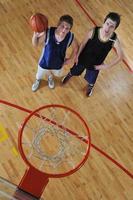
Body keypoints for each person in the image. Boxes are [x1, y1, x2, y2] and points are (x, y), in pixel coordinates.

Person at [62, 12, 124, 96]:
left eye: (111, 26)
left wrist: (106, 66)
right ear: (104, 22)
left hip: (96, 64)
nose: (108, 27)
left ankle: (90, 87)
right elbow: (83, 43)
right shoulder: (93, 31)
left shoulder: (114, 40)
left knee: (91, 80)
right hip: (83, 58)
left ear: (114, 29)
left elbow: (120, 57)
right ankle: (70, 74)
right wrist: (77, 55)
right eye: (107, 23)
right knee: (74, 70)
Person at [32, 15, 78, 92]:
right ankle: (38, 80)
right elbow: (35, 44)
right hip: (44, 62)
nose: (64, 30)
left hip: (58, 63)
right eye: (62, 26)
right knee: (39, 75)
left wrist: (70, 59)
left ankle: (50, 77)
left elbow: (76, 47)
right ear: (58, 24)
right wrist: (35, 35)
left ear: (69, 30)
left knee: (56, 74)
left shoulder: (70, 37)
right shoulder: (48, 32)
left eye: (67, 29)